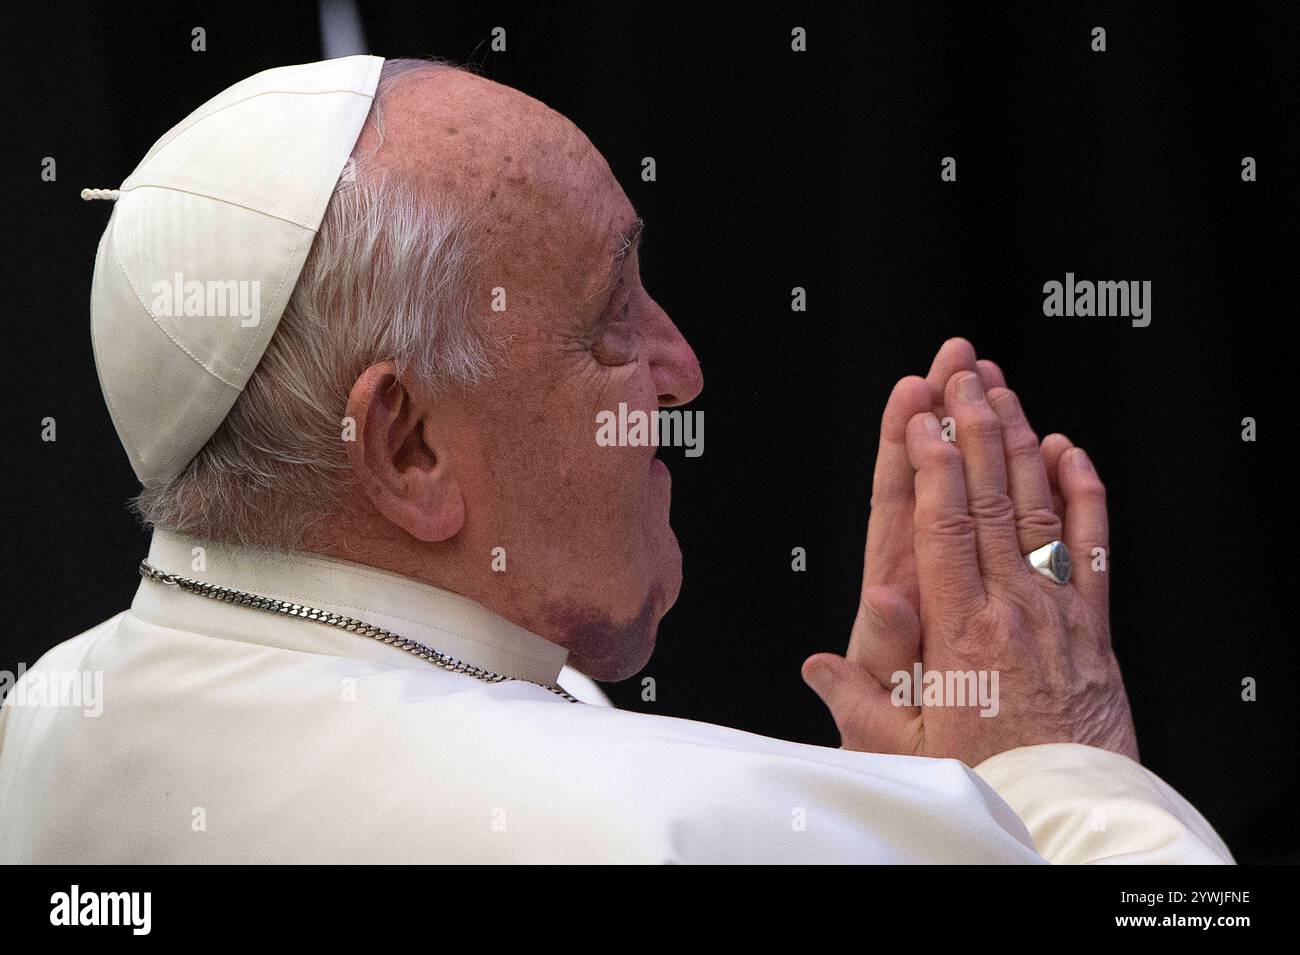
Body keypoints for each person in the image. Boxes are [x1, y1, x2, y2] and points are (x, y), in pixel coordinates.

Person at [0, 56, 1231, 863]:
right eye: (610, 316)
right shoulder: (669, 832)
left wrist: (901, 829)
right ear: (408, 447)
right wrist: (1055, 771)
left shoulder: (39, 721)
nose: (682, 364)